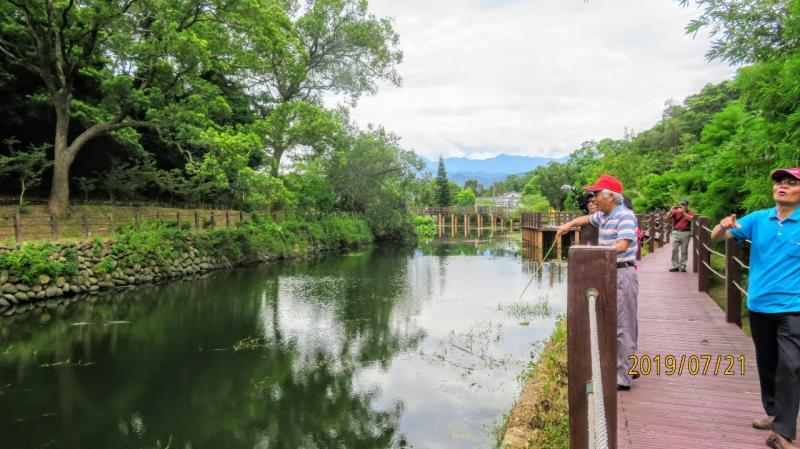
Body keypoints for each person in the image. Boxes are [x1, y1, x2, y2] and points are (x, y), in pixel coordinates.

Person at [710, 168, 800, 449]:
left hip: (792, 307)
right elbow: (716, 238)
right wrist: (724, 225)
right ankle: (773, 413)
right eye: (779, 182)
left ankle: (783, 432)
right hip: (759, 305)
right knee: (767, 363)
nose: (782, 187)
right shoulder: (759, 218)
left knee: (792, 366)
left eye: (791, 183)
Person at [556, 174, 639, 390]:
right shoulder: (604, 216)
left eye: (596, 194)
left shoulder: (625, 216)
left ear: (610, 196)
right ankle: (619, 368)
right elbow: (586, 219)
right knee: (609, 321)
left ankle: (624, 378)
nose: (592, 199)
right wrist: (567, 225)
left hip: (622, 273)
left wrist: (592, 253)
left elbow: (622, 246)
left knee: (623, 325)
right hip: (607, 272)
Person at [668, 199, 694, 272]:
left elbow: (692, 219)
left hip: (685, 233)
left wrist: (684, 213)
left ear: (687, 205)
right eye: (681, 204)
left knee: (684, 251)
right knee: (674, 249)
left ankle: (683, 266)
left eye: (683, 204)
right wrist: (671, 210)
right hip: (676, 232)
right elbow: (667, 217)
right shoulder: (676, 212)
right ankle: (676, 265)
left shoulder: (690, 212)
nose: (682, 206)